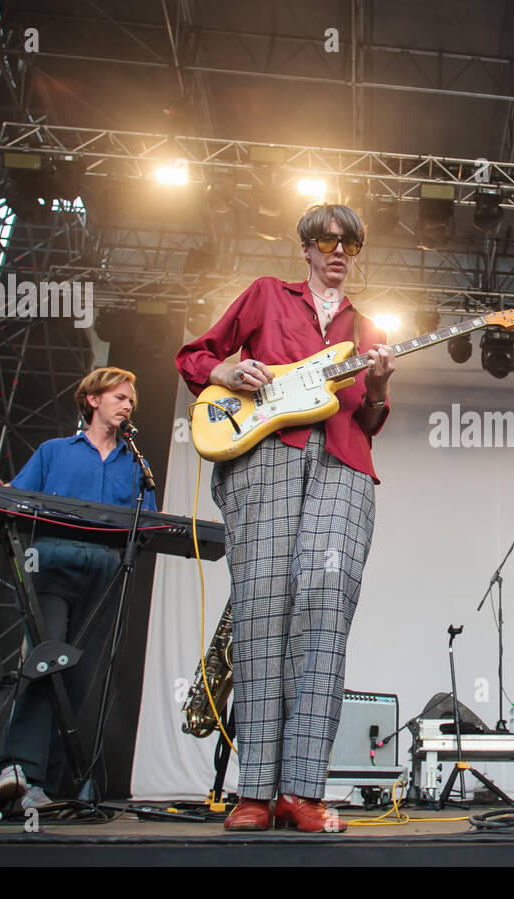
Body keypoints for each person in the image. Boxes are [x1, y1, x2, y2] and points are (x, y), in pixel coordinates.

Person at [174, 203, 395, 833]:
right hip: (264, 457)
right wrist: (224, 370)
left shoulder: (369, 327)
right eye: (324, 242)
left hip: (343, 465)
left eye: (347, 245)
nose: (335, 252)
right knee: (262, 608)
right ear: (305, 249)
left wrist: (378, 389)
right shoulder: (267, 295)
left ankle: (302, 791)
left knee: (325, 608)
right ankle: (255, 792)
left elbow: (370, 420)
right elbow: (194, 356)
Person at [0, 367, 157, 809]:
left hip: (104, 577)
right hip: (51, 569)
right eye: (119, 397)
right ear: (93, 399)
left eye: (131, 401)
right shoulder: (54, 451)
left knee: (79, 678)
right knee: (46, 664)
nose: (127, 405)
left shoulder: (135, 463)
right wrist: (2, 494)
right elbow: (18, 501)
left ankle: (49, 787)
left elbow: (149, 524)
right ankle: (18, 767)